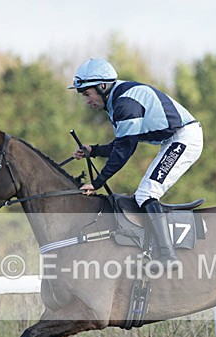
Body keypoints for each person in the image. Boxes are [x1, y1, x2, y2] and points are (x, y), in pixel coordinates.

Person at [68, 58, 203, 269]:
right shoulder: (117, 99)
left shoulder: (124, 104)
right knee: (144, 194)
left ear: (102, 86)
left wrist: (96, 183)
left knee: (147, 193)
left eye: (87, 94)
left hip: (184, 138)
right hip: (174, 139)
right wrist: (93, 151)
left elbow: (124, 151)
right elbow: (121, 144)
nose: (86, 101)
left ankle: (168, 256)